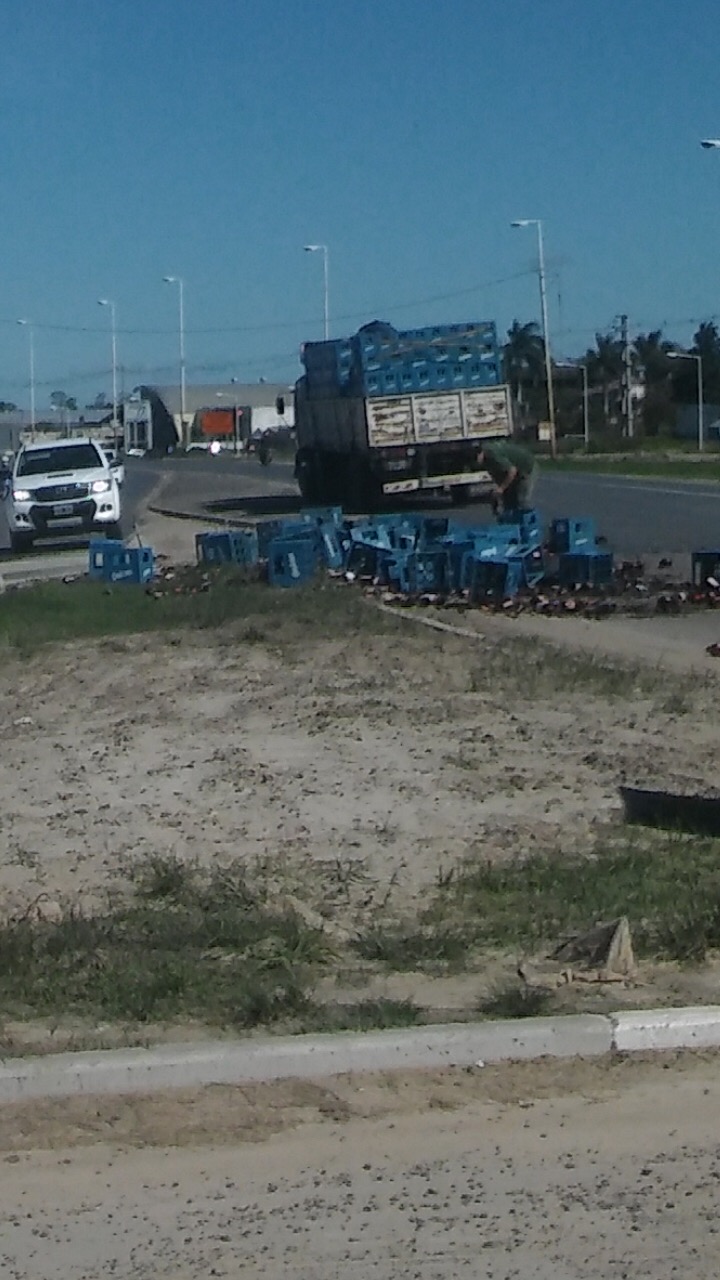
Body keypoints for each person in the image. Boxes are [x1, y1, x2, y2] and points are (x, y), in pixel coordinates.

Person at [478, 439, 537, 513]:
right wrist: (498, 490)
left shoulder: (493, 454)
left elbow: (512, 470)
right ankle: (511, 517)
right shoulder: (485, 460)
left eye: (476, 458)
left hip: (526, 467)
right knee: (508, 500)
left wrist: (501, 488)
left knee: (522, 500)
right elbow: (495, 474)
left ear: (480, 454)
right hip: (512, 470)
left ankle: (529, 517)